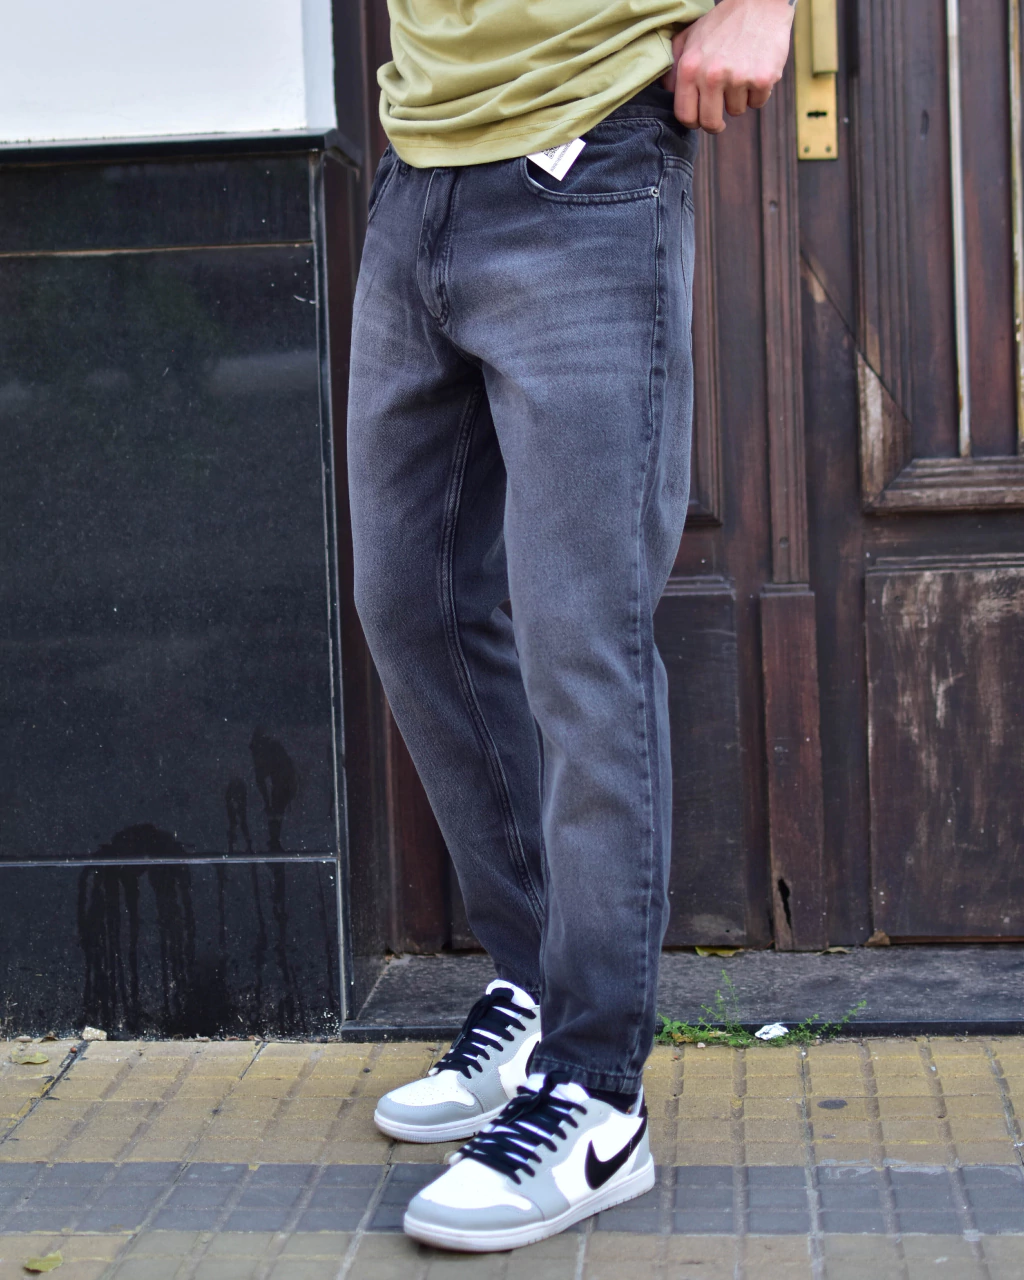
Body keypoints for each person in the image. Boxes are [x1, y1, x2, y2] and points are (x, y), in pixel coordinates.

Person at [347, 0, 796, 1252]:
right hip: (418, 163)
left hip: (587, 150)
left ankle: (597, 1096)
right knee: (413, 603)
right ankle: (536, 988)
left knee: (579, 639)